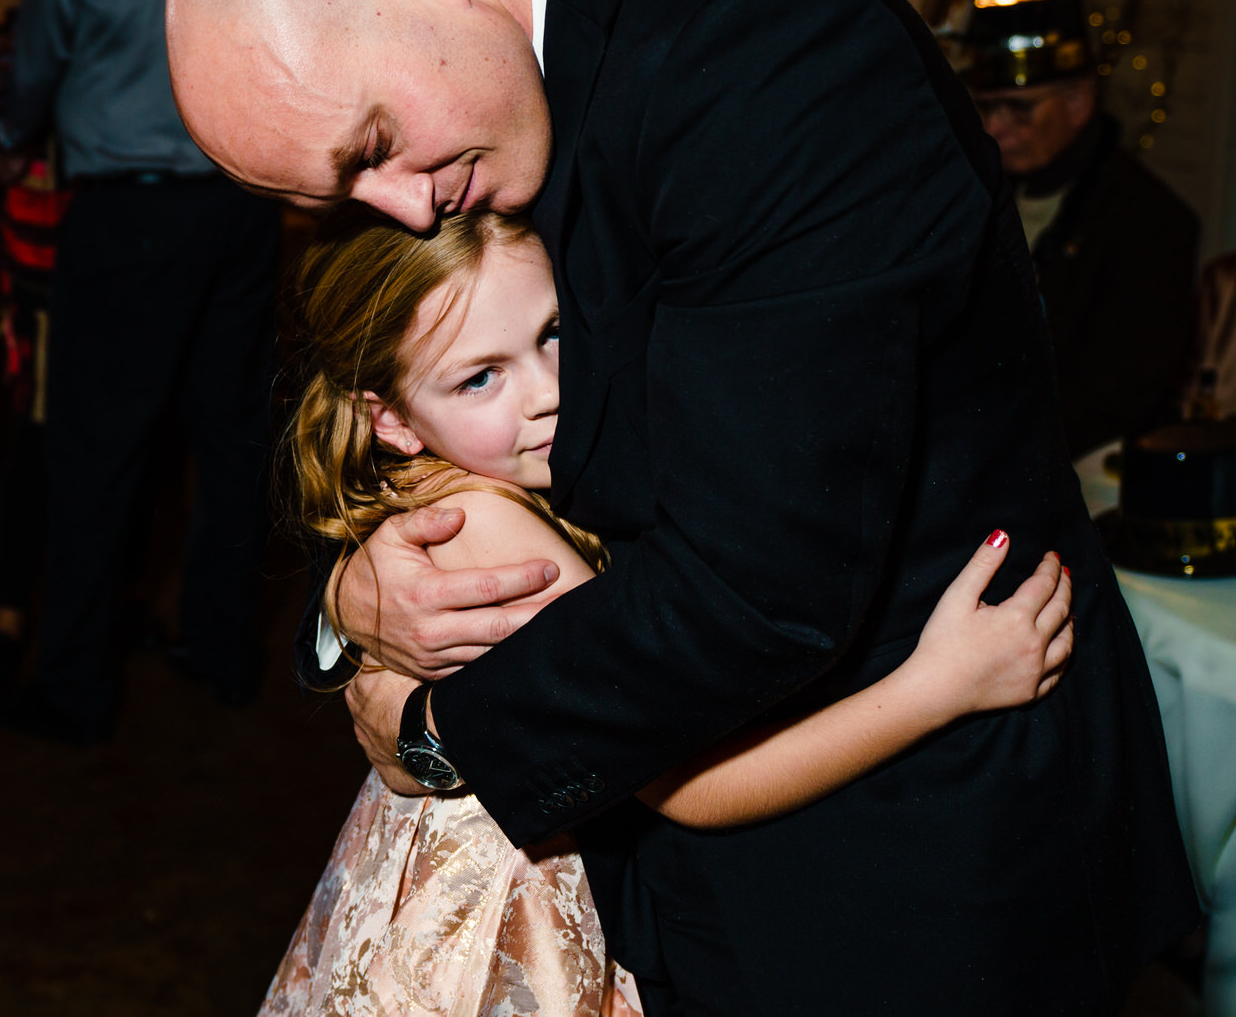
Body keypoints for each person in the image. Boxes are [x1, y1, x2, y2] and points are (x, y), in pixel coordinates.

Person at [164, 0, 1198, 1013]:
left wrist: (435, 728)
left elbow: (756, 587)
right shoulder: (485, 74)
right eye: (340, 195)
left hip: (905, 851)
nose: (402, 205)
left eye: (372, 150)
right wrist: (353, 600)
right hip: (671, 845)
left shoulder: (771, 55)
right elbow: (383, 381)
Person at [264, 209, 1075, 1016]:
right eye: (480, 377)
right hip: (494, 936)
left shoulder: (447, 487)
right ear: (392, 419)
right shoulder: (497, 532)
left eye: (555, 331)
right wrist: (941, 684)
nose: (551, 393)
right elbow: (693, 787)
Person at [0, 0, 277, 744]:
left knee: (95, 447)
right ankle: (222, 650)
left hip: (127, 214)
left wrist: (13, 134)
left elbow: (41, 51)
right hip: (241, 210)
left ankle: (73, 683)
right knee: (229, 437)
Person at [958, 0, 1200, 458]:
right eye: (985, 107)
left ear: (1076, 102)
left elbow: (1109, 401)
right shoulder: (970, 193)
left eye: (1019, 109)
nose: (994, 129)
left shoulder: (1150, 225)